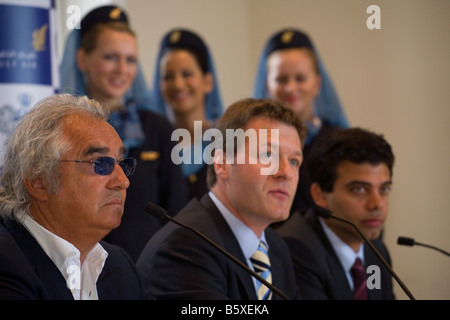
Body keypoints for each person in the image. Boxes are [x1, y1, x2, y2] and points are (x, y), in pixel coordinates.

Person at [137, 98, 305, 300]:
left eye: (294, 161)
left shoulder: (276, 246)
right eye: (268, 155)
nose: (286, 173)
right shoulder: (186, 246)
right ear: (222, 164)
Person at [60, 5, 187, 262]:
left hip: (147, 277)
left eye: (130, 60)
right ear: (82, 59)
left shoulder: (158, 128)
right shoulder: (60, 129)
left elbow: (178, 215)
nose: (122, 69)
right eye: (110, 57)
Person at [0, 94, 144, 300]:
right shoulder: (6, 263)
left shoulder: (121, 267)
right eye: (100, 163)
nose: (122, 181)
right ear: (38, 180)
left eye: (122, 163)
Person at [276, 127, 396, 300]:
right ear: (320, 195)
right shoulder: (295, 249)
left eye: (384, 189)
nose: (377, 204)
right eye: (359, 189)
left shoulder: (375, 250)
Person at [253, 28, 349, 212]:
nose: (290, 88)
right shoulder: (254, 146)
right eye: (281, 79)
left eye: (300, 78)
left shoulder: (340, 144)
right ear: (267, 86)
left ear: (317, 83)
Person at [149, 28, 224, 201]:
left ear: (208, 82)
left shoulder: (228, 143)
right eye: (168, 77)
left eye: (187, 74)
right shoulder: (151, 146)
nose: (178, 84)